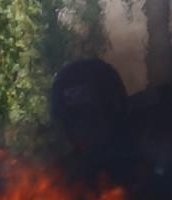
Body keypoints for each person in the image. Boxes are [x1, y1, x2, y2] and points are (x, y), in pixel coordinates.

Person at [47, 57, 139, 191]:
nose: (83, 129)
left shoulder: (138, 166)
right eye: (76, 120)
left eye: (91, 120)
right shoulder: (64, 174)